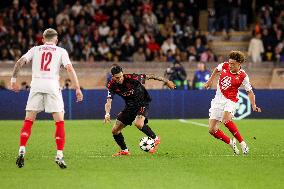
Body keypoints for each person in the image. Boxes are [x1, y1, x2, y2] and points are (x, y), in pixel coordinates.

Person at [10, 28, 83, 169]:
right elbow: (69, 69)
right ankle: (59, 155)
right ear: (56, 40)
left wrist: (13, 80)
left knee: (29, 120)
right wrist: (77, 88)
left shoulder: (35, 49)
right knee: (59, 121)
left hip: (36, 85)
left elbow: (19, 62)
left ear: (43, 39)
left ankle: (22, 150)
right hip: (52, 86)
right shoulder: (61, 51)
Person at [104, 65, 176, 156]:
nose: (120, 79)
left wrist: (167, 81)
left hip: (142, 103)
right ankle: (125, 150)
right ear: (113, 77)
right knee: (115, 130)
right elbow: (108, 101)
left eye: (121, 76)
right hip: (129, 107)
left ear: (123, 73)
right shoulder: (111, 85)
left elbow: (152, 76)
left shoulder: (132, 78)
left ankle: (155, 138)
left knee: (138, 123)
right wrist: (107, 113)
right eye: (117, 77)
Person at [204, 51, 261, 155]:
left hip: (231, 99)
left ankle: (243, 144)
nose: (230, 65)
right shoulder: (224, 66)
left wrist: (254, 105)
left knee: (226, 120)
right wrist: (210, 81)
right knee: (212, 130)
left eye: (233, 64)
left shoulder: (243, 76)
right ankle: (231, 143)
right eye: (229, 63)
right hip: (218, 99)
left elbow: (250, 92)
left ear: (239, 64)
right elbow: (216, 69)